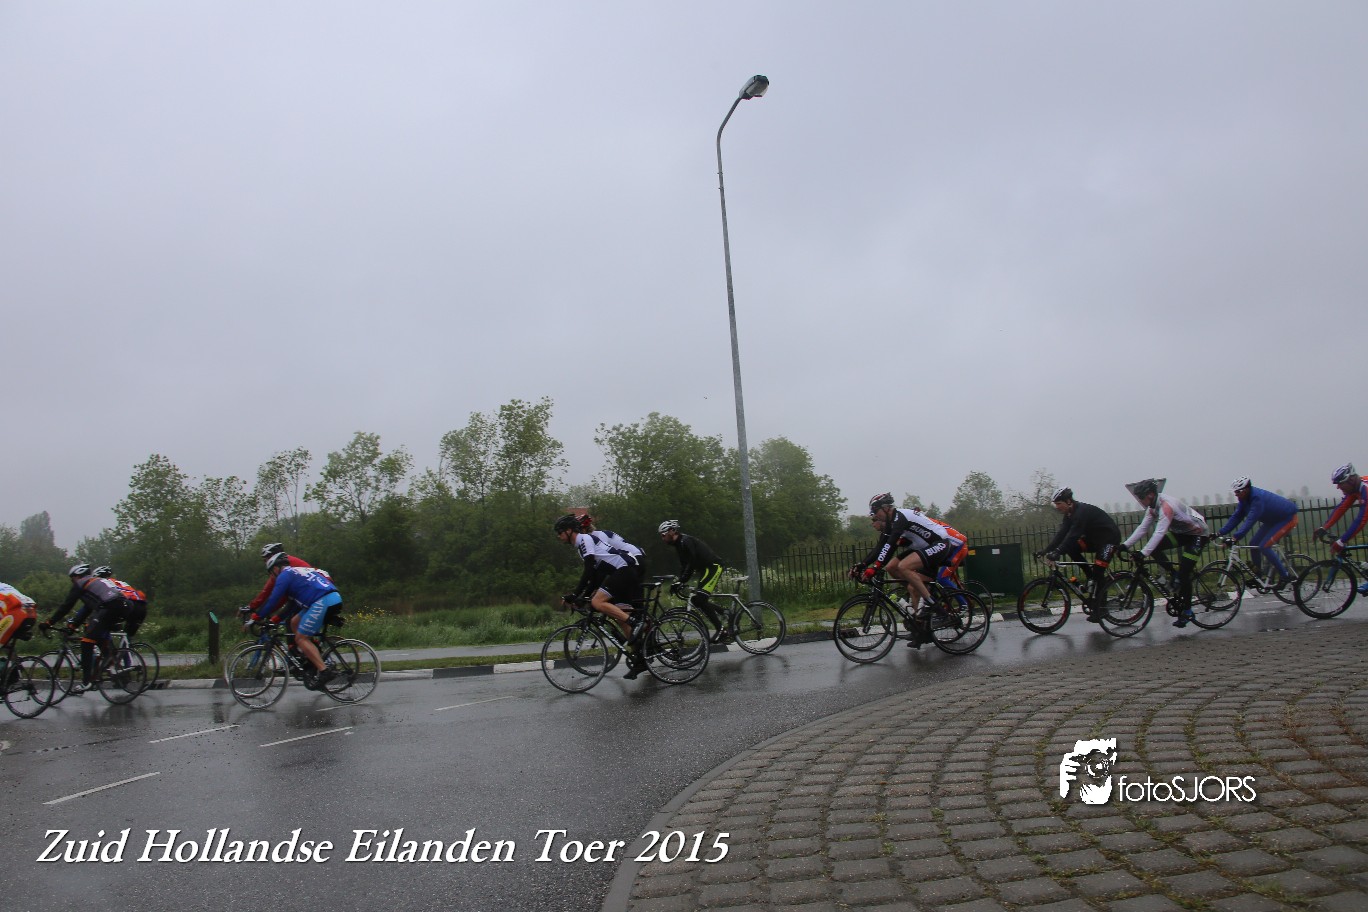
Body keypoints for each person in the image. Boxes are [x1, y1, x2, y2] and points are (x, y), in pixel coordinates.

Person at [554, 513, 648, 678]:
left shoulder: (584, 539)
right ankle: (640, 659)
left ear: (569, 531)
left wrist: (576, 594)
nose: (558, 536)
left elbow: (589, 570)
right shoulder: (581, 545)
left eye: (560, 532)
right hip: (623, 571)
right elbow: (596, 576)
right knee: (620, 617)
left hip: (625, 569)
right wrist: (582, 597)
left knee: (598, 602)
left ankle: (635, 622)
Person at [853, 493, 960, 630]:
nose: (875, 515)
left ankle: (935, 606)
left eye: (875, 511)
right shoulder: (891, 523)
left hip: (940, 544)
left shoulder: (900, 517)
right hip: (924, 548)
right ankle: (920, 629)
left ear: (886, 508)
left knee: (904, 566)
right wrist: (862, 564)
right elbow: (880, 547)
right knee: (894, 570)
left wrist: (875, 567)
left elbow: (890, 545)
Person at [1120, 479, 1209, 628]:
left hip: (1198, 534)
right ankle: (1173, 574)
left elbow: (1159, 532)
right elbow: (1143, 528)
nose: (1140, 501)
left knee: (1184, 574)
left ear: (1150, 495)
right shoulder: (1152, 507)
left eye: (1141, 497)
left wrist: (1143, 553)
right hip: (1181, 533)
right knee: (1156, 550)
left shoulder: (1166, 506)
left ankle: (1187, 611)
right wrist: (1124, 545)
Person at [247, 553, 341, 688]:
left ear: (276, 569)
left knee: (301, 638)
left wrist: (257, 617)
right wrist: (274, 620)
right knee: (294, 623)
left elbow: (273, 600)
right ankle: (311, 655)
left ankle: (324, 671)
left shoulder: (284, 575)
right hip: (328, 598)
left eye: (271, 573)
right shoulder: (294, 573)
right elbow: (292, 606)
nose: (272, 577)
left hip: (323, 600)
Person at [40, 564, 132, 692]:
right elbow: (87, 609)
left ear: (77, 576)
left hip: (110, 607)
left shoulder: (81, 583)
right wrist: (73, 626)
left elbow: (66, 606)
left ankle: (87, 682)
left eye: (72, 579)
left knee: (86, 642)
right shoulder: (95, 583)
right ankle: (114, 668)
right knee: (99, 637)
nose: (72, 582)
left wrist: (49, 623)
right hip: (126, 605)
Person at [1035, 487, 1121, 623]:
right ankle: (1089, 575)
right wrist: (1046, 550)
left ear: (1069, 501)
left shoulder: (1081, 512)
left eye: (1059, 504)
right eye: (1056, 504)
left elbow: (1073, 535)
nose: (1057, 507)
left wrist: (1058, 551)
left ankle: (1102, 609)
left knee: (1098, 572)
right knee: (1072, 549)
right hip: (1094, 540)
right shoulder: (1069, 514)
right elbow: (1062, 534)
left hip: (1109, 540)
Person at [1215, 477, 1299, 589]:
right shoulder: (1244, 499)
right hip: (1273, 521)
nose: (1236, 494)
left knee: (1264, 546)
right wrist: (1219, 533)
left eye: (1238, 492)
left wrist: (1235, 537)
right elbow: (1236, 517)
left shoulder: (1257, 498)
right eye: (1235, 492)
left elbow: (1250, 520)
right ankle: (1258, 576)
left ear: (1246, 489)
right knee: (1253, 544)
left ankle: (1285, 576)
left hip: (1287, 518)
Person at [658, 519, 728, 643]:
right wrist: (679, 581)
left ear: (672, 531)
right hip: (706, 569)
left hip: (713, 567)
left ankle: (721, 630)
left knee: (700, 599)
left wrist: (682, 580)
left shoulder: (686, 541)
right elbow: (684, 566)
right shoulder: (678, 544)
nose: (662, 538)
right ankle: (725, 612)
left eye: (663, 535)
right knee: (696, 600)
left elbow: (692, 561)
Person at [1315, 463, 1368, 594]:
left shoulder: (1365, 489)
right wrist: (1324, 527)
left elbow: (1361, 520)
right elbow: (1341, 508)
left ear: (1351, 480)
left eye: (1340, 483)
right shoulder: (1355, 489)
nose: (1338, 487)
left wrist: (1341, 541)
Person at [247, 543, 315, 617]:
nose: (266, 562)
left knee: (290, 621)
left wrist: (257, 610)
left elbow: (270, 593)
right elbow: (270, 591)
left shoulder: (282, 566)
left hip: (310, 594)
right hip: (312, 592)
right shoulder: (287, 562)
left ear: (273, 556)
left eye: (266, 559)